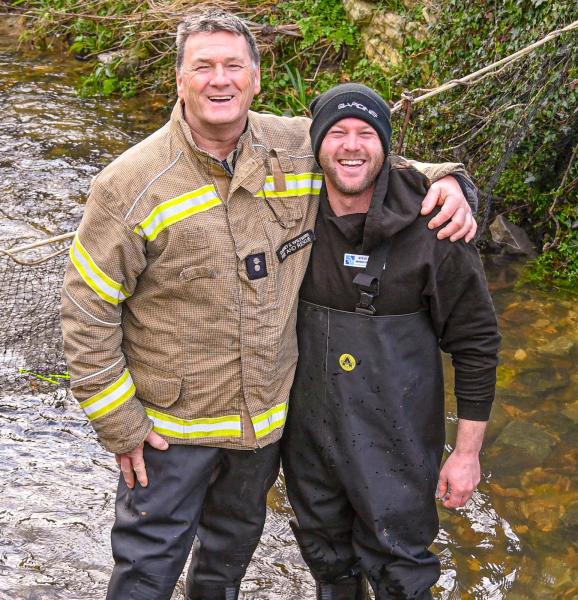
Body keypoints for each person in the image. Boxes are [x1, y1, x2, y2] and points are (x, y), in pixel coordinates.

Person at [60, 10, 479, 600]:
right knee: (146, 571)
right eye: (203, 66)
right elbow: (86, 312)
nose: (220, 79)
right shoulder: (129, 184)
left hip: (261, 427)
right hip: (167, 432)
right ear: (179, 79)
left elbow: (363, 154)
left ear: (256, 78)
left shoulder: (291, 146)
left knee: (225, 564)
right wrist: (120, 423)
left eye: (234, 66)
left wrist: (450, 180)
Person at [281, 83, 501, 600]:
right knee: (325, 557)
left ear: (386, 144)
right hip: (308, 438)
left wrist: (466, 455)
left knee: (400, 570)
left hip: (396, 444)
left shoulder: (437, 224)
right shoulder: (289, 207)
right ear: (316, 142)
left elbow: (477, 344)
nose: (351, 146)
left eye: (366, 133)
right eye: (337, 132)